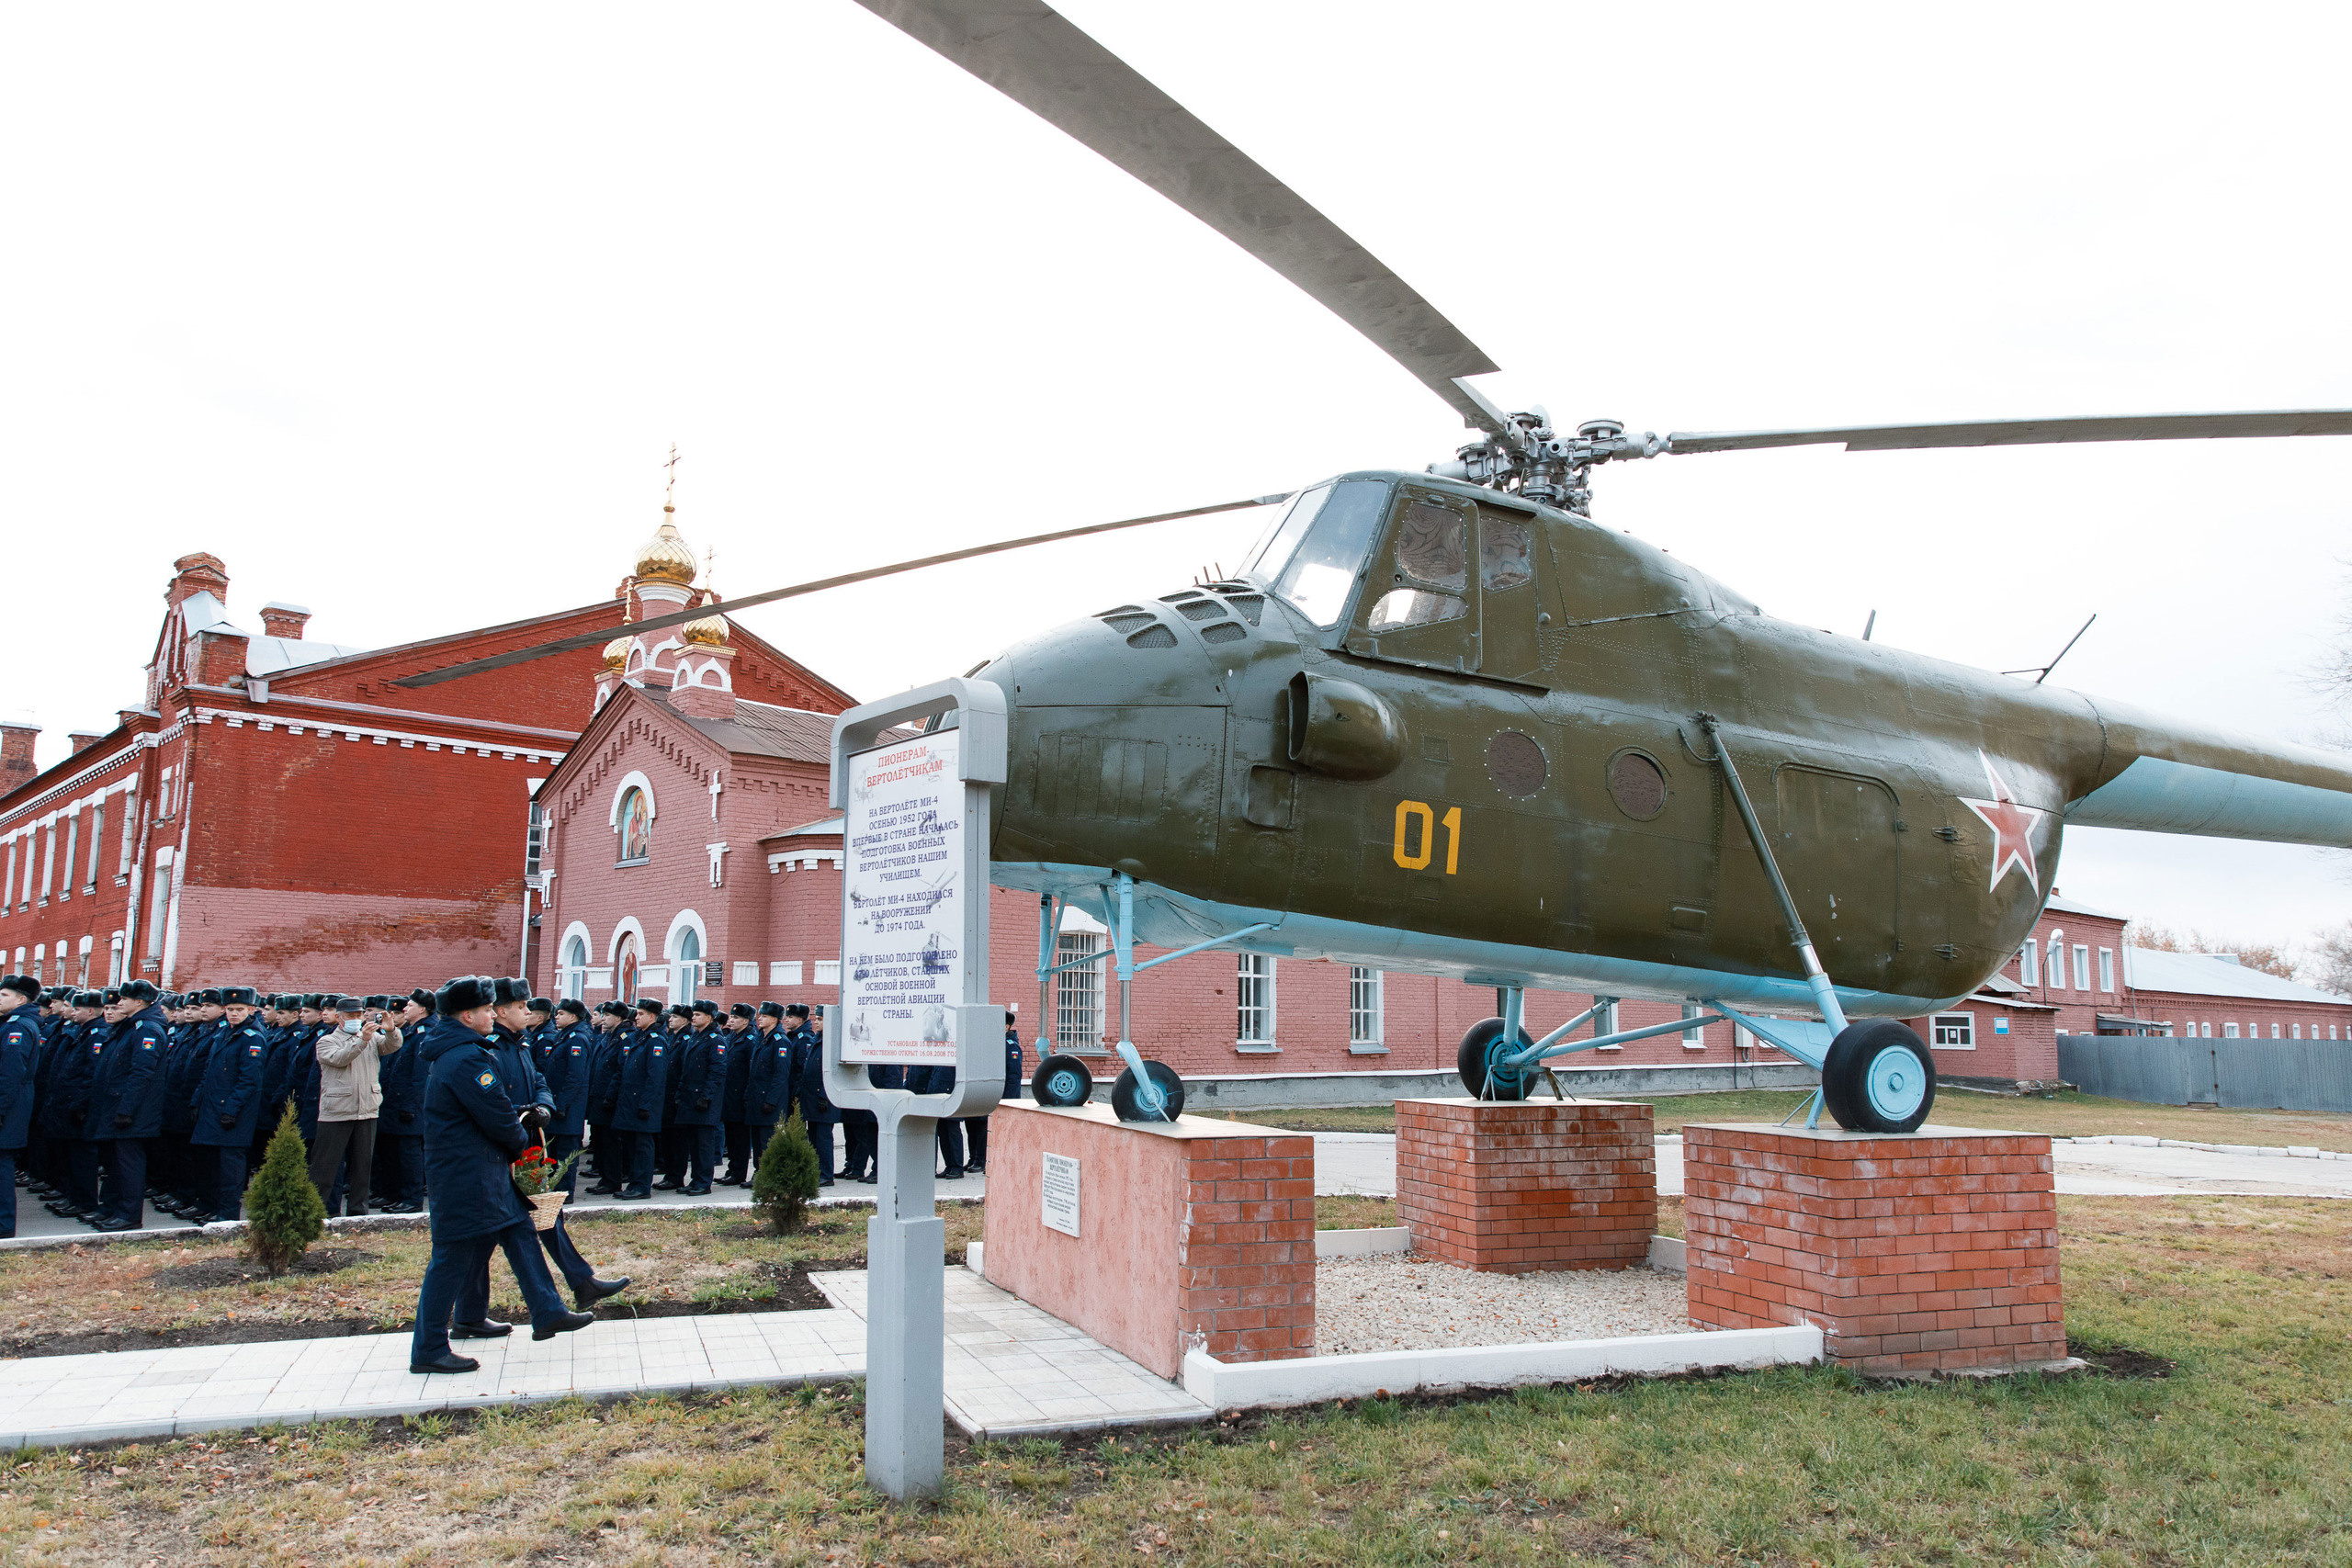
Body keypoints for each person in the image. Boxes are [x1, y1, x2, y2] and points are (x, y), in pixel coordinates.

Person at [408, 975, 594, 1375]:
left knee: (517, 1228)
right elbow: (497, 1117)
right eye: (487, 1010)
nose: (493, 1015)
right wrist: (521, 1144)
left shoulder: (464, 1050)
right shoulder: (467, 1058)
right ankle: (428, 1349)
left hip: (478, 1170)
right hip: (467, 1174)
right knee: (450, 1258)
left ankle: (544, 1312)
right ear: (468, 1015)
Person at [310, 992, 400, 1216]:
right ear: (339, 1018)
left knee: (362, 1168)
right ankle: (317, 1212)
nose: (356, 1019)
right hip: (337, 1111)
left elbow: (392, 1046)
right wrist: (362, 1041)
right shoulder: (326, 1041)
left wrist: (390, 1030)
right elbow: (339, 1058)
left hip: (367, 1110)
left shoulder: (370, 1038)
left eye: (359, 1014)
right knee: (325, 1167)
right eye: (350, 1015)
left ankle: (358, 1215)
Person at [90, 979, 168, 1232]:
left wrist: (127, 1110)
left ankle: (129, 1215)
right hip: (120, 1106)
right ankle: (113, 1208)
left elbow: (141, 1073)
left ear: (139, 1002)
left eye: (124, 999)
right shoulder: (131, 1026)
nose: (119, 1003)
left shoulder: (147, 1029)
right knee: (116, 1162)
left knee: (129, 1164)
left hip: (135, 1111)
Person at [187, 985, 269, 1223]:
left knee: (230, 1167)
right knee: (211, 1163)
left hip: (234, 1112)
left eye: (239, 1009)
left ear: (251, 1009)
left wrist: (231, 1109)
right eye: (230, 1009)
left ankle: (227, 1214)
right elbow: (209, 1072)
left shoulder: (252, 1037)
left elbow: (249, 1080)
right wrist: (197, 1101)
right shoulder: (223, 1033)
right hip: (212, 1107)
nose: (233, 1013)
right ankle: (211, 1207)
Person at [375, 989, 434, 1213]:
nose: (405, 1009)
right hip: (395, 1103)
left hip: (410, 1107)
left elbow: (420, 1077)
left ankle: (411, 1200)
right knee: (393, 1153)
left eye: (410, 1005)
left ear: (423, 1009)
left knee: (410, 1156)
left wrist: (410, 1106)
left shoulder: (425, 1032)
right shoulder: (410, 1031)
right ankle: (393, 1194)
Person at [609, 998, 671, 1201]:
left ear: (652, 1017)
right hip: (630, 1103)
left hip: (643, 1105)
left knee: (643, 1147)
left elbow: (655, 1078)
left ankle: (642, 1186)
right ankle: (634, 1184)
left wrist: (646, 1105)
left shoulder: (656, 1041)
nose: (636, 1017)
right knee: (632, 1146)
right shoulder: (639, 1037)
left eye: (641, 1014)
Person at [0, 974, 42, 1238]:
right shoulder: (10, 1023)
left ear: (21, 999)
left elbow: (10, 1075)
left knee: (2, 1163)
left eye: (4, 995)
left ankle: (3, 1227)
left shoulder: (19, 1027)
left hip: (9, 1105)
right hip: (10, 1102)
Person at [670, 998, 724, 1195]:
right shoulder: (695, 1037)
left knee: (704, 1145)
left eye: (698, 1014)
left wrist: (707, 1097)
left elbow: (717, 1071)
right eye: (693, 1014)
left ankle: (703, 1182)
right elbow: (686, 1070)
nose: (693, 1017)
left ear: (709, 1018)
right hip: (690, 1100)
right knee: (694, 1143)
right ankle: (695, 1180)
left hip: (704, 1102)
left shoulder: (715, 1040)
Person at [785, 1004, 838, 1186]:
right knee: (814, 1136)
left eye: (820, 1019)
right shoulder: (818, 1038)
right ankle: (817, 1171)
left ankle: (826, 1174)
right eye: (816, 1019)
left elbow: (831, 1072)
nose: (816, 1022)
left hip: (823, 1099)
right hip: (812, 1098)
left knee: (823, 1138)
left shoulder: (832, 1042)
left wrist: (824, 1096)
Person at [583, 1002, 628, 1195]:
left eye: (607, 1015)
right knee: (601, 1141)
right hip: (599, 1096)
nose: (603, 1018)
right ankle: (604, 1178)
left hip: (610, 1098)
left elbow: (619, 1070)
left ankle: (612, 1181)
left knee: (611, 1143)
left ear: (618, 1018)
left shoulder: (624, 1038)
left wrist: (611, 1095)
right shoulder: (607, 1037)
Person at [744, 1002, 791, 1175]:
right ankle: (759, 1172)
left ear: (774, 1019)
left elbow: (781, 1074)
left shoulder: (780, 1042)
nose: (759, 1019)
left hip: (769, 1101)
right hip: (756, 1098)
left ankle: (769, 1174)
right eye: (759, 1015)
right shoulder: (761, 1038)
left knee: (767, 1140)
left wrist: (771, 1100)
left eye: (764, 1016)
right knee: (756, 1140)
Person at [718, 1003, 756, 1186]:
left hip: (740, 1095)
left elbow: (751, 1070)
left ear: (746, 1021)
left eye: (736, 1018)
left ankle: (739, 1172)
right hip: (728, 1096)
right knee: (731, 1135)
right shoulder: (731, 1037)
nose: (731, 1020)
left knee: (740, 1138)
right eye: (731, 1017)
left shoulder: (750, 1040)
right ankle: (732, 1169)